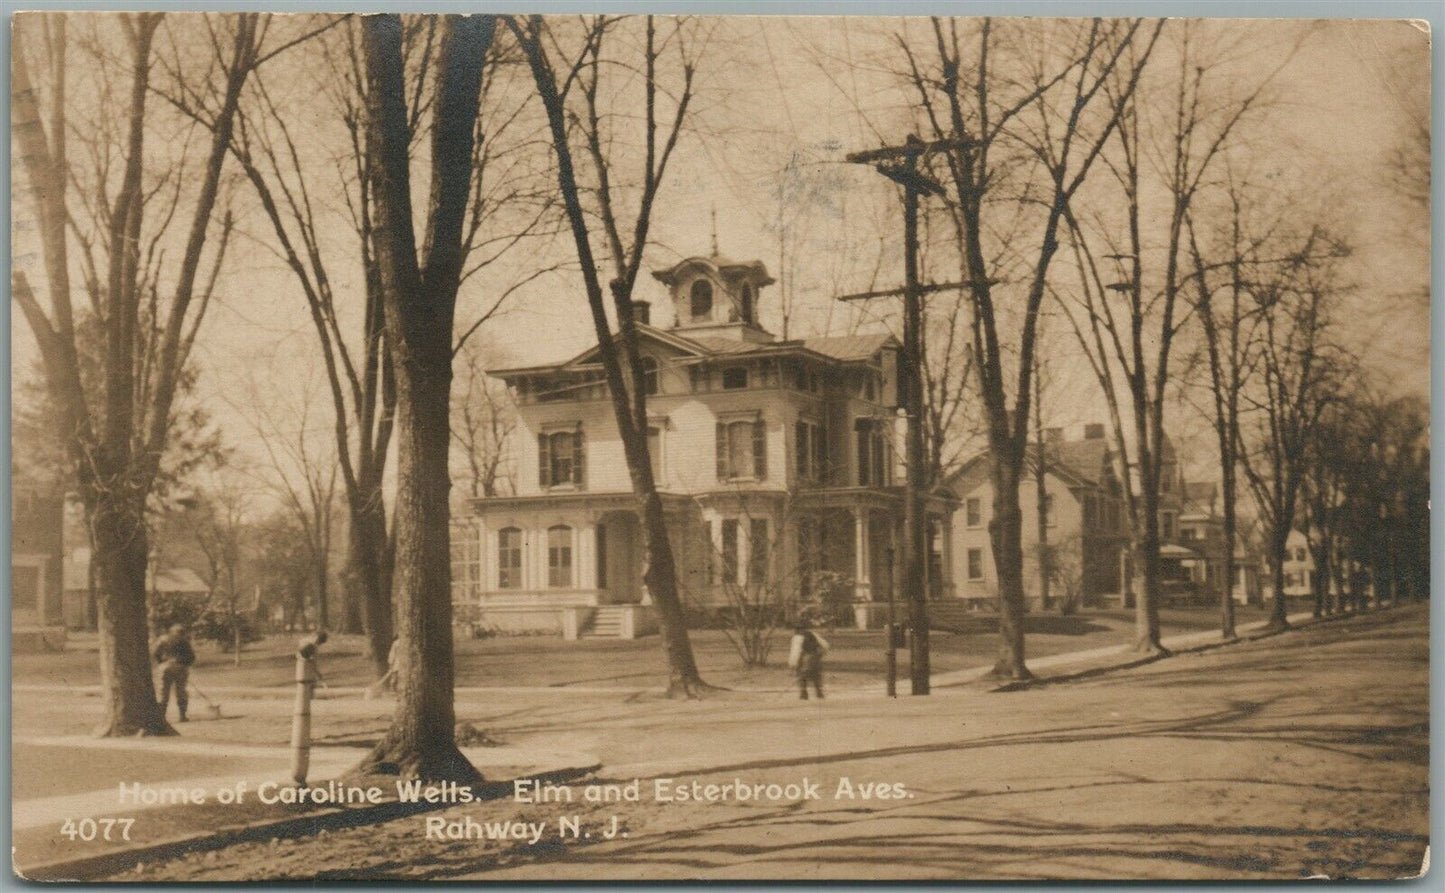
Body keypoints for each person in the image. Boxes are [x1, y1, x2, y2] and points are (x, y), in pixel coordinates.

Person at [153, 624, 196, 722]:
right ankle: (182, 715)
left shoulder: (162, 639)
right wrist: (185, 664)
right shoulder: (185, 641)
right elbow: (191, 656)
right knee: (181, 691)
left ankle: (161, 716)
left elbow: (155, 653)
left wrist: (161, 662)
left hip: (165, 666)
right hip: (180, 667)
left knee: (163, 691)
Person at [787, 622, 829, 700]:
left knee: (802, 675)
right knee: (816, 675)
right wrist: (821, 654)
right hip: (815, 658)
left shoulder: (797, 637)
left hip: (805, 658)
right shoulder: (813, 634)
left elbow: (795, 652)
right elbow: (825, 645)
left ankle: (804, 694)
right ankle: (819, 692)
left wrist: (792, 664)